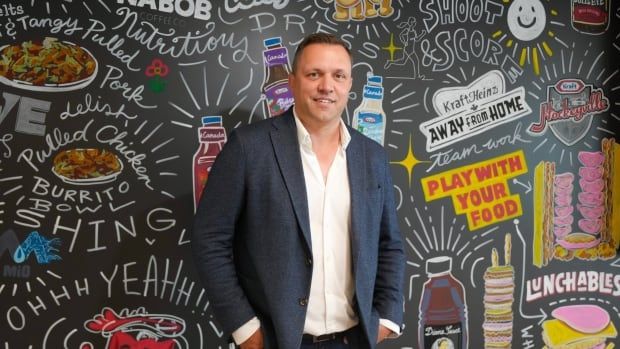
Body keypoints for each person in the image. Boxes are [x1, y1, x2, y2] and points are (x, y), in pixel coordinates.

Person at [192, 33, 405, 349]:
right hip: (277, 341)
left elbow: (389, 244)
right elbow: (210, 239)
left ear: (349, 85)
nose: (326, 86)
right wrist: (245, 329)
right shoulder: (248, 148)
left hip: (354, 339)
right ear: (292, 81)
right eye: (314, 74)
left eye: (338, 76)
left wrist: (386, 319)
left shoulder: (371, 156)